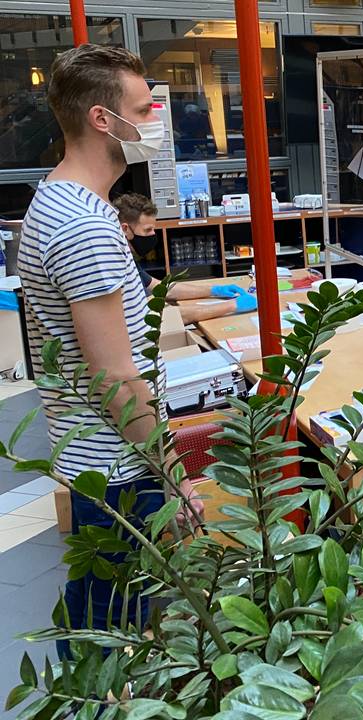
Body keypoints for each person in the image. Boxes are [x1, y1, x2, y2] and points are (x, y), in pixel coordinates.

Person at [16, 44, 203, 659]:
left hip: (95, 459)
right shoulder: (85, 225)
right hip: (119, 471)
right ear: (103, 120)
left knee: (96, 611)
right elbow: (116, 379)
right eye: (145, 108)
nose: (155, 120)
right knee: (111, 629)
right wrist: (173, 476)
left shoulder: (57, 199)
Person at [114, 193, 256, 324]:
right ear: (125, 229)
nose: (153, 235)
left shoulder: (126, 256)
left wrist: (214, 290)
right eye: (147, 230)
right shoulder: (114, 263)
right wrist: (231, 306)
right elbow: (153, 317)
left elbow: (163, 289)